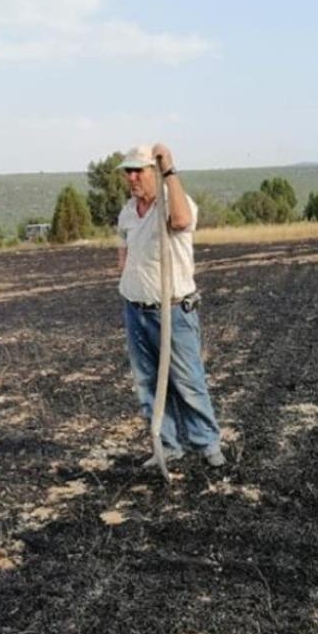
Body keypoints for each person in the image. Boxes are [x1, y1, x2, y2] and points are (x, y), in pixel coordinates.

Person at [116, 143, 225, 469]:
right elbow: (123, 249)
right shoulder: (127, 211)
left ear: (155, 172)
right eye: (128, 171)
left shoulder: (172, 203)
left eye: (139, 170)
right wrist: (128, 279)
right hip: (136, 310)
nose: (132, 177)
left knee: (187, 380)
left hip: (174, 309)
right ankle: (167, 445)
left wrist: (170, 168)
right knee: (147, 381)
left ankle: (207, 444)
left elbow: (181, 220)